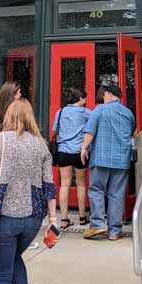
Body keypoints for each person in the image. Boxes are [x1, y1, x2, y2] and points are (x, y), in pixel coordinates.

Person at [0, 98, 58, 284]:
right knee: (14, 257)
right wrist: (53, 219)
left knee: (2, 275)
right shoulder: (41, 145)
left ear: (9, 116)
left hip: (4, 216)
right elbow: (49, 185)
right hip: (33, 218)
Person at [80, 83, 135, 241]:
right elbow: (131, 132)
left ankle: (97, 224)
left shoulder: (99, 110)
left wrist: (84, 148)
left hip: (101, 158)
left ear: (109, 95)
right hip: (121, 160)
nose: (103, 99)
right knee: (116, 194)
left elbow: (90, 131)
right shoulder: (128, 113)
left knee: (96, 190)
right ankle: (114, 231)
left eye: (103, 96)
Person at [51, 87, 91, 229]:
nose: (86, 101)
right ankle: (82, 217)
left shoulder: (60, 111)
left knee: (65, 185)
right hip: (79, 152)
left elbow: (54, 130)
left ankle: (64, 219)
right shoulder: (85, 112)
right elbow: (94, 125)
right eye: (84, 98)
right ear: (79, 99)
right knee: (81, 184)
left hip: (63, 151)